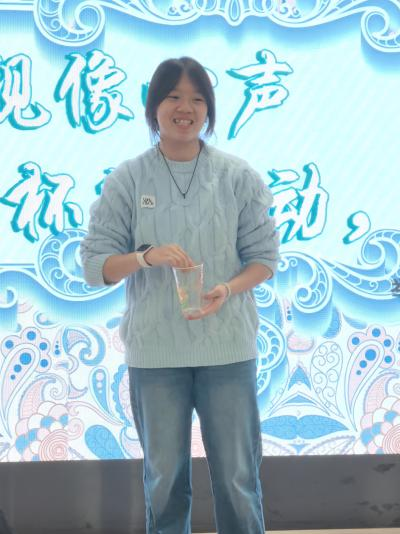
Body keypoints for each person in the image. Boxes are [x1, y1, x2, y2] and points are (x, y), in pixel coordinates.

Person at [80, 56, 279, 534]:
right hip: (156, 354)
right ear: (154, 107)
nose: (185, 108)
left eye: (197, 99)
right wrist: (146, 257)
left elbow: (265, 259)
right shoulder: (128, 179)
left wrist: (226, 289)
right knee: (164, 481)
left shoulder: (238, 176)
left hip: (227, 349)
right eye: (173, 97)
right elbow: (94, 267)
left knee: (237, 479)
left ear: (209, 109)